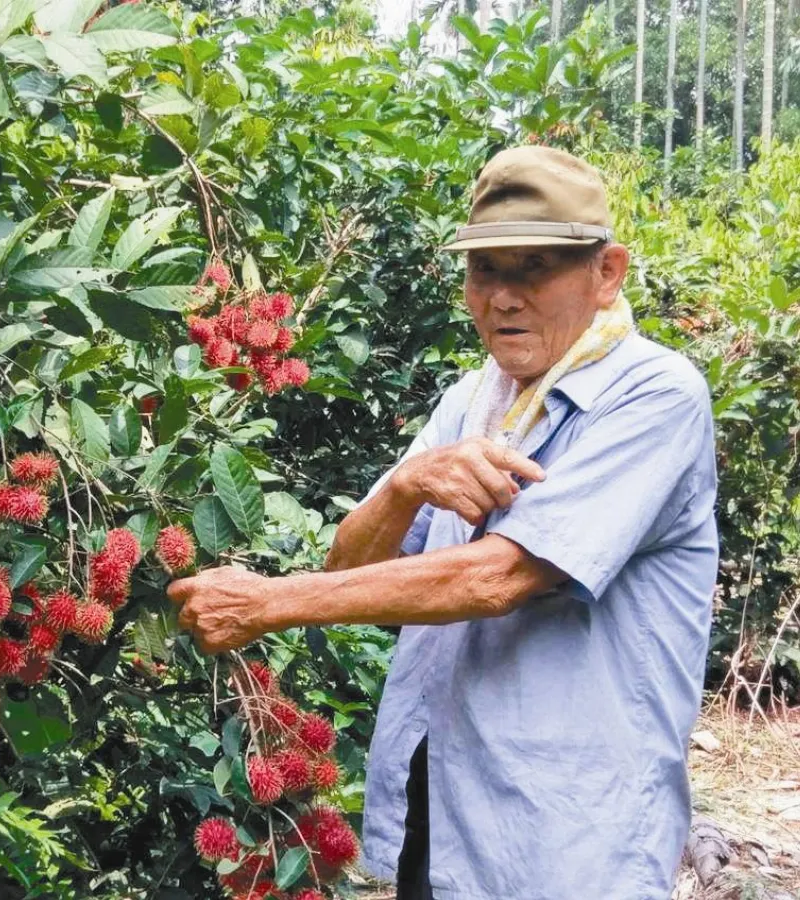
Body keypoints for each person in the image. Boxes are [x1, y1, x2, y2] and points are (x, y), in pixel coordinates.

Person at [165, 145, 718, 900]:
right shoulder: (474, 400)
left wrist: (265, 603)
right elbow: (347, 568)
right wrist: (405, 487)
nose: (504, 298)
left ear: (607, 272)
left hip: (571, 831)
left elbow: (502, 576)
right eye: (486, 270)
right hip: (444, 804)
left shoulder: (656, 396)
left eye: (535, 268)